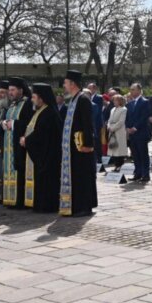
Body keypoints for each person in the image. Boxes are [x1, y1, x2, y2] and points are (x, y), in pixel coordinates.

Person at [59, 70, 98, 216]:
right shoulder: (73, 99)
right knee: (77, 176)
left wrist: (88, 144)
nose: (64, 85)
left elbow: (88, 123)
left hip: (82, 146)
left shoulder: (83, 99)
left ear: (73, 84)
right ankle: (76, 205)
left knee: (83, 176)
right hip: (73, 147)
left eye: (66, 83)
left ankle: (84, 207)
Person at [20, 83, 62, 212]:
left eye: (33, 97)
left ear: (41, 98)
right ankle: (40, 204)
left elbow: (41, 133)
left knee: (47, 181)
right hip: (43, 154)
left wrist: (26, 140)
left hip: (48, 155)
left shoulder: (49, 113)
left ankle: (46, 206)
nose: (31, 99)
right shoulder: (41, 111)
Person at [2, 78, 35, 208]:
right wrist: (5, 123)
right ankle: (9, 199)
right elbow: (8, 119)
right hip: (9, 142)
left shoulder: (27, 103)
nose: (10, 92)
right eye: (9, 90)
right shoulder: (12, 104)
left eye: (13, 90)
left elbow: (30, 122)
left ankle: (19, 200)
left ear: (21, 90)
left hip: (20, 143)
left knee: (19, 169)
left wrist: (13, 124)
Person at [125, 83, 151, 182]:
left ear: (139, 90)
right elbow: (127, 118)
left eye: (133, 89)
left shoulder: (145, 102)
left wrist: (135, 127)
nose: (131, 91)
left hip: (141, 132)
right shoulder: (129, 104)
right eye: (130, 89)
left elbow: (144, 117)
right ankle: (137, 173)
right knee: (135, 154)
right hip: (132, 134)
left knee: (143, 154)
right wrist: (128, 127)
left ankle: (145, 174)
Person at [106, 94, 128, 170]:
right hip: (111, 131)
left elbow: (121, 121)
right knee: (113, 148)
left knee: (119, 149)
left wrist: (113, 128)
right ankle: (116, 165)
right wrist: (108, 126)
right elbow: (109, 120)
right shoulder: (112, 109)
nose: (114, 102)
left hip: (119, 131)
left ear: (120, 101)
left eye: (115, 100)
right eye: (114, 100)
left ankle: (120, 165)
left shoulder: (123, 109)